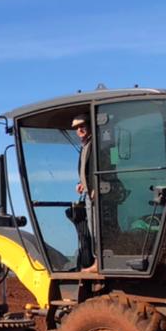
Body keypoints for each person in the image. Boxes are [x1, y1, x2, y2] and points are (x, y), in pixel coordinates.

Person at [73, 114, 96, 270]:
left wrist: (94, 186)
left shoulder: (97, 144)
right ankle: (97, 261)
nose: (79, 129)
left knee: (96, 227)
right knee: (92, 228)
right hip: (89, 192)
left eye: (82, 126)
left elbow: (103, 165)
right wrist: (82, 183)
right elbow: (87, 169)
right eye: (76, 128)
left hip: (97, 194)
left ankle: (99, 263)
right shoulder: (85, 145)